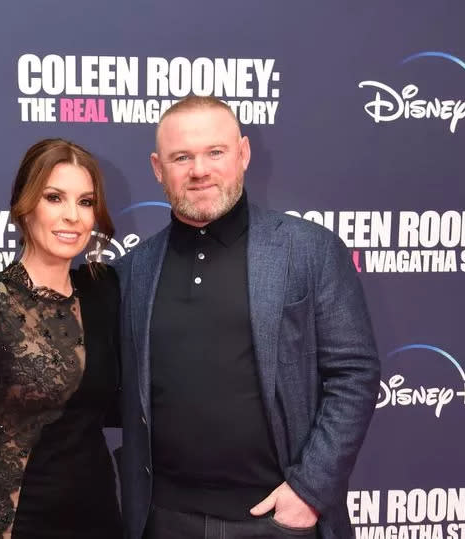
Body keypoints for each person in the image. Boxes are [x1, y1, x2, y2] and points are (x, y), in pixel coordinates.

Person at [115, 96, 380, 539]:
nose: (199, 169)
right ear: (159, 169)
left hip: (277, 519)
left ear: (243, 154)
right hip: (163, 521)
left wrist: (310, 491)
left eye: (215, 152)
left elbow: (355, 372)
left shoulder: (308, 250)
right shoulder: (134, 270)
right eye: (182, 157)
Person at [0, 139, 124, 538]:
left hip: (99, 513)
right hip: (21, 520)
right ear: (25, 204)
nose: (73, 216)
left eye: (85, 202)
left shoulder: (104, 291)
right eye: (55, 198)